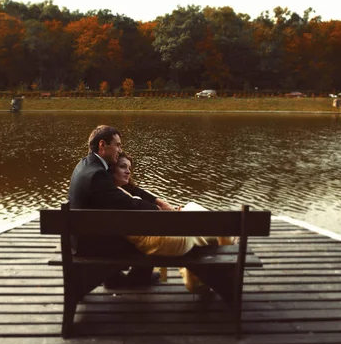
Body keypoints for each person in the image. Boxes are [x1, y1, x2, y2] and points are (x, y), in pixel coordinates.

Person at [109, 152, 235, 293]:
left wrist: (175, 214)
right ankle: (227, 253)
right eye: (122, 167)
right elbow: (151, 217)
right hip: (162, 240)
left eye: (129, 168)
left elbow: (146, 214)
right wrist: (176, 216)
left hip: (159, 236)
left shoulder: (118, 192)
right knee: (200, 217)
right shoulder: (116, 195)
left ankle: (198, 279)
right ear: (111, 169)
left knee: (199, 220)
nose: (128, 171)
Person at [68, 125, 160, 288]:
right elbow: (128, 204)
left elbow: (118, 195)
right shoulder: (97, 175)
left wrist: (154, 200)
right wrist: (156, 210)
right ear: (103, 145)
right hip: (90, 245)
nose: (120, 149)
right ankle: (138, 279)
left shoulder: (85, 165)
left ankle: (113, 277)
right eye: (117, 145)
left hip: (79, 237)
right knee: (148, 241)